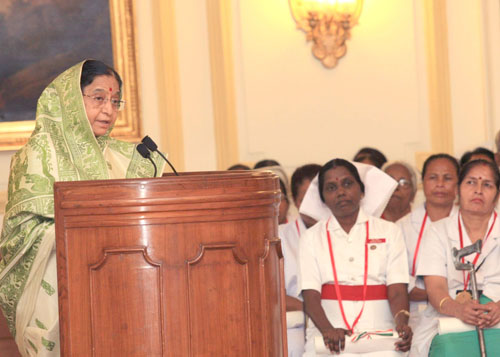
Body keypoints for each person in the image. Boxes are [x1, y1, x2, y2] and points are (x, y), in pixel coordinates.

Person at [0, 60, 164, 356]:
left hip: (121, 290)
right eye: (99, 98)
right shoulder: (39, 151)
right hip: (60, 290)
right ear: (72, 100)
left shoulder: (122, 157)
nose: (109, 110)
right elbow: (22, 233)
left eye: (115, 101)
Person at [298, 159, 412, 356]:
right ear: (323, 198)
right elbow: (311, 296)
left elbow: (397, 290)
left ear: (362, 190)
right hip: (329, 336)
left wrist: (402, 324)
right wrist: (327, 330)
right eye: (331, 187)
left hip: (380, 334)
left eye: (347, 183)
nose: (341, 192)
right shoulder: (311, 237)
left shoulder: (389, 231)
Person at [417, 159, 500, 356]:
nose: (478, 190)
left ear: (496, 194)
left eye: (487, 184)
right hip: (451, 316)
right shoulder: (437, 231)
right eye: (471, 182)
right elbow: (435, 287)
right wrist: (458, 310)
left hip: (497, 313)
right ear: (458, 189)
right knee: (448, 349)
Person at [397, 154, 459, 356]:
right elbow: (397, 278)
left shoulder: (469, 222)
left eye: (447, 178)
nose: (440, 184)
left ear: (458, 183)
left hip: (460, 315)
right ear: (423, 183)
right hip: (414, 316)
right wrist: (436, 293)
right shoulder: (402, 227)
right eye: (433, 177)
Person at [279, 164, 321, 357]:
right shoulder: (279, 237)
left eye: (319, 197)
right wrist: (311, 309)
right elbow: (269, 294)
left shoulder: (344, 235)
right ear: (295, 201)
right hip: (295, 329)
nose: (314, 206)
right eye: (306, 199)